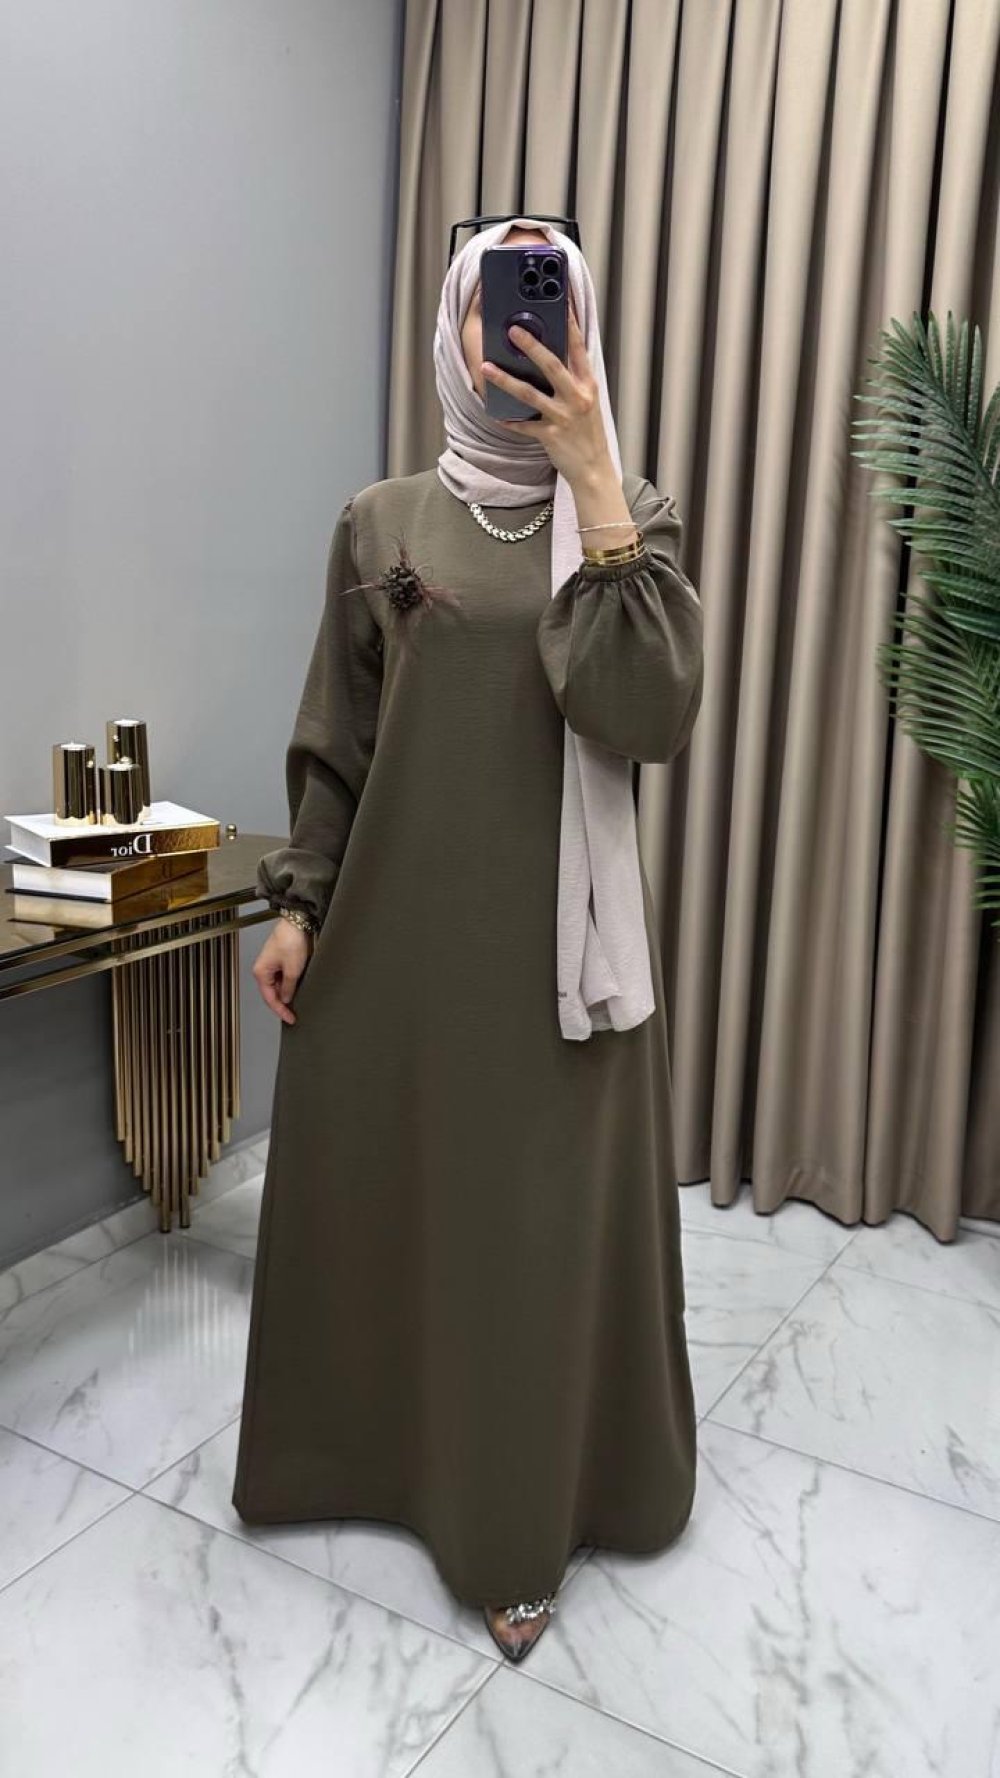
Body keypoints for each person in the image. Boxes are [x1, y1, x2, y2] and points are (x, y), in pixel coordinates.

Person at [231, 216, 705, 1664]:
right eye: (502, 300)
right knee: (402, 1208)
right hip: (402, 947)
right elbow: (340, 741)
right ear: (455, 325)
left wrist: (595, 483)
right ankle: (365, 1461)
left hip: (562, 973)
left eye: (549, 300)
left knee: (529, 1241)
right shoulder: (381, 521)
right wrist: (300, 905)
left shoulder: (633, 518)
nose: (523, 330)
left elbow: (647, 715)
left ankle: (518, 1523)